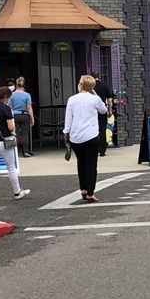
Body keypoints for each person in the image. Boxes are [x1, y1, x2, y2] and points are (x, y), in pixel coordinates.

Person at [64, 75, 108, 203]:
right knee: (91, 164)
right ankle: (90, 192)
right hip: (91, 135)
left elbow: (69, 118)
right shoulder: (95, 99)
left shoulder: (72, 99)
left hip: (75, 136)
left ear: (81, 85)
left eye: (79, 83)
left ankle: (83, 188)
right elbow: (103, 110)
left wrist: (66, 132)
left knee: (81, 162)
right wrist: (96, 95)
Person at [8, 77, 35, 158]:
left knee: (15, 134)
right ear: (24, 85)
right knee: (25, 134)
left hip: (15, 116)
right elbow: (29, 107)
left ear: (16, 85)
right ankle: (26, 152)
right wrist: (32, 118)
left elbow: (9, 106)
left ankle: (14, 153)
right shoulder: (27, 95)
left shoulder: (12, 95)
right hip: (25, 116)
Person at [93, 75, 115, 152]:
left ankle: (95, 148)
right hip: (102, 110)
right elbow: (109, 100)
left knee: (93, 130)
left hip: (92, 111)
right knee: (102, 130)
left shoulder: (90, 87)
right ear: (98, 77)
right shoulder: (104, 86)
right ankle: (102, 150)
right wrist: (109, 110)